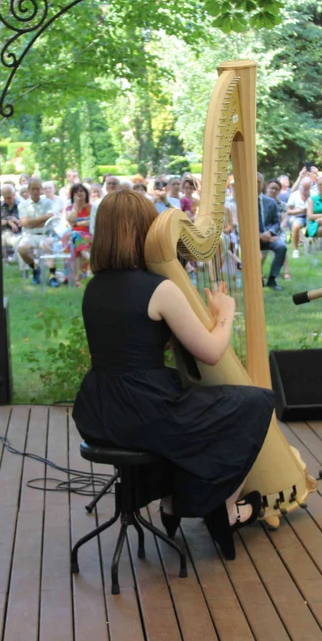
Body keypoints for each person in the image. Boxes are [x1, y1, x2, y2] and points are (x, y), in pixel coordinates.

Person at [71, 190, 270, 560]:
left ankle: (170, 499)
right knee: (255, 402)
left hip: (99, 410)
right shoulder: (159, 289)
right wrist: (225, 311)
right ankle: (222, 509)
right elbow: (211, 353)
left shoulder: (93, 288)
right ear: (145, 232)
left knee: (197, 411)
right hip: (146, 408)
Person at [17, 177, 59, 286]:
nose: (36, 192)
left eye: (38, 188)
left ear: (41, 189)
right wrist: (43, 219)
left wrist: (31, 222)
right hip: (29, 235)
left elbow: (50, 219)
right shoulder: (23, 205)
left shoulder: (48, 202)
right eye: (33, 189)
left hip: (45, 233)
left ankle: (52, 274)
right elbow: (25, 223)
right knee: (21, 248)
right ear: (29, 190)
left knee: (48, 244)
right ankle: (35, 268)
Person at [258, 176, 287, 290]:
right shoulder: (246, 202)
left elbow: (277, 223)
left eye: (258, 182)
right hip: (251, 238)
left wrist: (270, 233)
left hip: (269, 237)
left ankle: (272, 280)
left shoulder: (270, 202)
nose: (256, 184)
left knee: (281, 247)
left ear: (262, 184)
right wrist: (258, 235)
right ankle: (257, 278)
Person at [65, 182, 93, 289]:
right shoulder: (70, 208)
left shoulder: (91, 207)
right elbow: (71, 220)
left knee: (75, 237)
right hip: (74, 235)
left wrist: (77, 223)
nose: (79, 194)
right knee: (74, 236)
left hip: (88, 234)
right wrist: (76, 206)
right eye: (76, 192)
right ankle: (88, 259)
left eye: (81, 191)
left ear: (86, 193)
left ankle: (76, 277)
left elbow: (91, 222)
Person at [286, 175, 312, 259]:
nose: (306, 191)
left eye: (308, 189)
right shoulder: (294, 195)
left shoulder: (314, 195)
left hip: (311, 217)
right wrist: (300, 211)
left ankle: (311, 246)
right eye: (304, 189)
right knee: (296, 225)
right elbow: (288, 211)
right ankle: (295, 250)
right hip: (298, 216)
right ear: (300, 187)